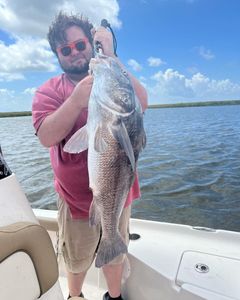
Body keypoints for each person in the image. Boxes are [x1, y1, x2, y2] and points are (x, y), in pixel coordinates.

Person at [32, 11, 148, 300]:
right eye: (65, 49)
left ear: (91, 44)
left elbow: (141, 103)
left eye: (81, 45)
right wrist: (75, 100)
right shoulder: (48, 92)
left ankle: (114, 295)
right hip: (74, 200)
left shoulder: (112, 72)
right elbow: (46, 136)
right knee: (76, 257)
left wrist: (112, 56)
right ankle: (75, 296)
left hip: (118, 192)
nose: (75, 53)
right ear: (58, 54)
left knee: (115, 252)